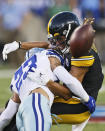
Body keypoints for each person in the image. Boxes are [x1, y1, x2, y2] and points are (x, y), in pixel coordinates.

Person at [2, 11, 102, 131]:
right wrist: (18, 45)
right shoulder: (71, 43)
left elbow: (69, 90)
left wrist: (47, 81)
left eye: (59, 38)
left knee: (25, 112)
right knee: (15, 106)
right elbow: (47, 45)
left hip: (79, 105)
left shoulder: (82, 53)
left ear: (70, 35)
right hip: (73, 97)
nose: (55, 43)